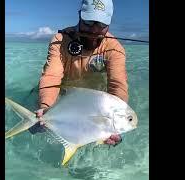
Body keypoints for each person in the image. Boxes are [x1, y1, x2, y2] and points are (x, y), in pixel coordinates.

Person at [29, 0, 128, 146]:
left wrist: (116, 121)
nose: (94, 30)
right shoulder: (60, 40)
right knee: (34, 127)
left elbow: (117, 84)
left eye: (101, 24)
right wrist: (45, 107)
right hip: (60, 98)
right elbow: (51, 76)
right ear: (80, 16)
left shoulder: (115, 49)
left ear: (109, 22)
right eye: (88, 22)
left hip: (93, 104)